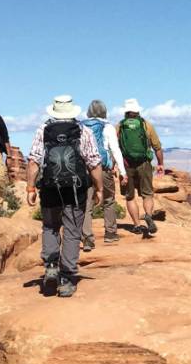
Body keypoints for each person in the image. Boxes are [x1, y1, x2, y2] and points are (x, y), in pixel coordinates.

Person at [25, 95, 103, 297]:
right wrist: (99, 188)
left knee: (50, 226)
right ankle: (67, 279)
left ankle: (51, 265)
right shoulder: (82, 130)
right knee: (72, 230)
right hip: (75, 189)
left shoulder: (43, 130)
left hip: (50, 187)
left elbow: (34, 161)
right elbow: (94, 162)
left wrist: (30, 188)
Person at [79, 100, 126, 249]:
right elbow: (115, 149)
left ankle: (87, 238)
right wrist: (122, 171)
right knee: (109, 200)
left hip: (85, 169)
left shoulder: (80, 126)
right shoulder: (108, 127)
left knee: (87, 204)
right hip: (103, 169)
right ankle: (110, 233)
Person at [117, 99, 164, 238]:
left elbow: (114, 148)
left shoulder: (120, 126)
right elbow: (157, 147)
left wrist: (116, 165)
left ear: (126, 111)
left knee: (130, 197)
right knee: (147, 194)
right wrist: (160, 163)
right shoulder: (146, 125)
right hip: (144, 163)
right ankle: (148, 216)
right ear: (138, 110)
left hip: (126, 165)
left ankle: (137, 225)